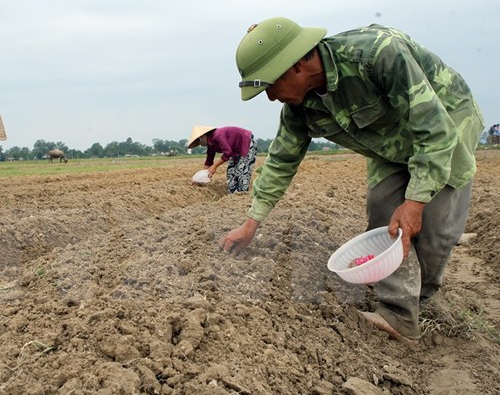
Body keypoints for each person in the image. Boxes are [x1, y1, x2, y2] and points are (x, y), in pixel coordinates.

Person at [219, 17, 484, 343]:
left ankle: (422, 297)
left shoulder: (378, 55)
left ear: (296, 65)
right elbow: (280, 161)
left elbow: (433, 127)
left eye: (269, 86)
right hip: (387, 144)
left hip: (446, 124)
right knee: (384, 210)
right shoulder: (299, 109)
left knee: (434, 230)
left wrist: (415, 202)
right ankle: (398, 314)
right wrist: (251, 224)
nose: (271, 98)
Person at [188, 125, 257, 193]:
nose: (200, 144)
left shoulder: (218, 135)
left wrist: (215, 166)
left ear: (203, 136)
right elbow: (209, 161)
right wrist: (200, 177)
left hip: (246, 141)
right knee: (231, 172)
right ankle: (233, 195)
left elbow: (228, 153)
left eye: (200, 140)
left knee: (242, 171)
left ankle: (242, 194)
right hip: (235, 150)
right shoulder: (210, 144)